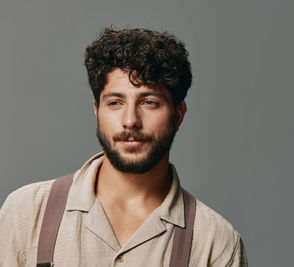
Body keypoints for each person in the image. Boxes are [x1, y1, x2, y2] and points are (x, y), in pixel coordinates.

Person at [0, 27, 247, 266]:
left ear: (178, 114)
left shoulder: (215, 243)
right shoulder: (26, 213)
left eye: (149, 102)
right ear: (97, 110)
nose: (130, 121)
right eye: (115, 102)